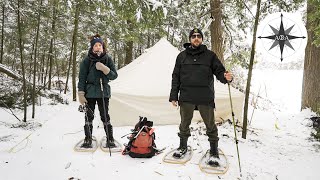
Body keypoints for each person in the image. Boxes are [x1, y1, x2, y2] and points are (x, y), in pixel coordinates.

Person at [169, 28, 233, 165]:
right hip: (186, 96)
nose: (196, 38)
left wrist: (225, 77)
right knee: (184, 124)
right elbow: (176, 77)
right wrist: (174, 95)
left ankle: (214, 151)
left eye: (198, 36)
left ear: (202, 39)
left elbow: (220, 71)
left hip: (205, 96)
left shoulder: (210, 56)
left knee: (210, 125)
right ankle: (182, 147)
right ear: (190, 39)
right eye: (193, 36)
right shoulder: (181, 56)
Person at [77, 34, 118, 148]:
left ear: (103, 47)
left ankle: (110, 139)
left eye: (100, 45)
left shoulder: (107, 59)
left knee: (105, 116)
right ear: (92, 47)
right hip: (90, 92)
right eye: (96, 45)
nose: (98, 47)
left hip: (103, 92)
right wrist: (81, 93)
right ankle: (88, 139)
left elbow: (114, 76)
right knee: (89, 116)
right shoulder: (87, 60)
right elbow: (82, 78)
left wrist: (105, 69)